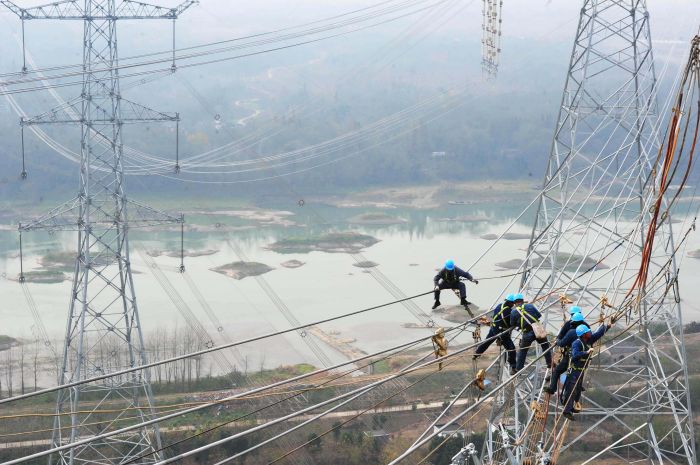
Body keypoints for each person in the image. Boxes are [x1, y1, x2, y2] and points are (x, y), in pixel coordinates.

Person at [562, 322, 610, 420]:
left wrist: (607, 326)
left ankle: (573, 406)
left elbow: (598, 334)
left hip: (581, 371)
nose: (590, 332)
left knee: (578, 390)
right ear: (583, 334)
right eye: (587, 332)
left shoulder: (588, 340)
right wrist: (586, 352)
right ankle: (567, 411)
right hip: (574, 371)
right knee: (571, 391)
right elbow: (575, 355)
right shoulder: (577, 343)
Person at [544, 310, 589, 395]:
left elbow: (562, 342)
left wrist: (557, 341)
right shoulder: (586, 328)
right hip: (583, 356)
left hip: (571, 355)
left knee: (557, 371)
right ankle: (578, 387)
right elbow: (592, 338)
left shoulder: (571, 331)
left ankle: (552, 389)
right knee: (578, 371)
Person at [473, 294, 517, 375]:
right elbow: (510, 322)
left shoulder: (499, 306)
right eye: (513, 303)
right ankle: (513, 366)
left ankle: (477, 353)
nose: (513, 305)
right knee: (511, 348)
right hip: (501, 332)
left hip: (494, 328)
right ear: (511, 302)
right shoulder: (509, 311)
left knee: (487, 342)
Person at [510, 294, 552, 371]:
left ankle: (518, 368)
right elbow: (539, 316)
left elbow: (512, 324)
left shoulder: (513, 312)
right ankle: (549, 363)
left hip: (527, 332)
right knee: (545, 346)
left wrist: (520, 322)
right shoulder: (530, 306)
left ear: (515, 303)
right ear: (522, 301)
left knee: (523, 351)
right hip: (537, 329)